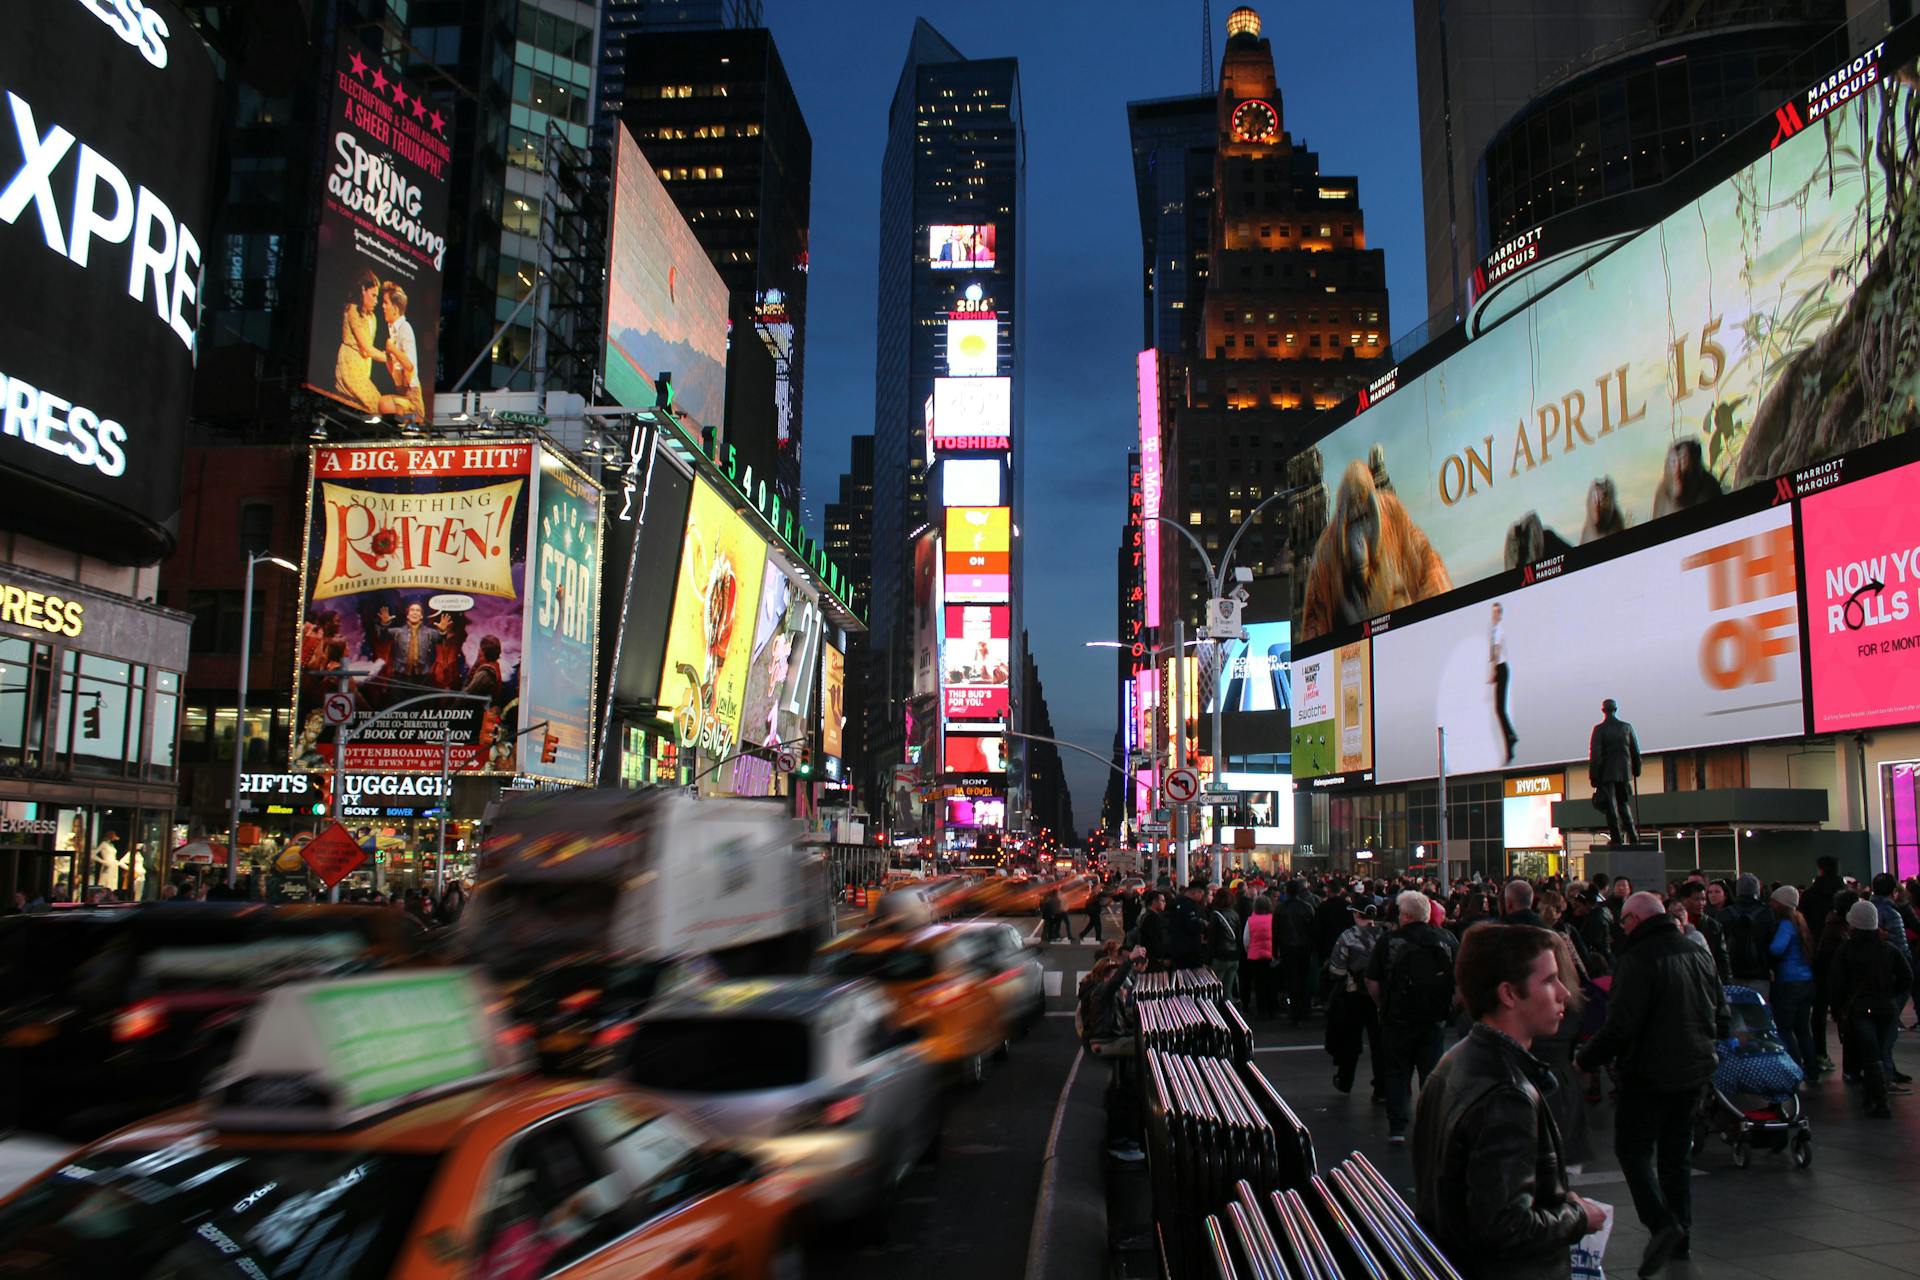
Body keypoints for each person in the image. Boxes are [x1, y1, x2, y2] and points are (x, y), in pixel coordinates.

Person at [1413, 924, 1603, 1278]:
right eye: (1549, 980)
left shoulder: (1455, 1061)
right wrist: (1578, 1217)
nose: (1564, 993)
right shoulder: (1507, 1094)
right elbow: (1504, 1225)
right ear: (1508, 994)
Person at [1575, 892, 1728, 1276]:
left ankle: (1662, 1223)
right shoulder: (1697, 953)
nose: (1620, 929)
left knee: (1632, 1149)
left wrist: (1587, 1058)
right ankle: (1683, 1234)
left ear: (1637, 919)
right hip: (1694, 1068)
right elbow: (1720, 1010)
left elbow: (1621, 1024)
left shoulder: (1637, 959)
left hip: (1649, 1072)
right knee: (1677, 1154)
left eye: (1624, 922)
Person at [1367, 889, 1459, 1144]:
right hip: (1433, 1018)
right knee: (1431, 1071)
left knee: (1397, 1071)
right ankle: (1431, 1122)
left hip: (1397, 1017)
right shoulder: (1446, 939)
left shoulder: (1389, 941)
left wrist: (1382, 1004)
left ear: (1404, 915)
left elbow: (1372, 979)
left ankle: (1397, 1126)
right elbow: (1460, 978)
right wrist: (1448, 1006)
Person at [1829, 898, 1915, 1118]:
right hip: (1886, 1008)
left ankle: (1875, 1099)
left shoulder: (1845, 950)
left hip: (1859, 1008)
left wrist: (1838, 1010)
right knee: (1881, 1052)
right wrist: (1891, 994)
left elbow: (1837, 983)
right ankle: (1880, 1096)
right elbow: (1907, 977)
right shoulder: (1888, 948)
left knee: (1869, 1054)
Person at [1326, 902, 1384, 1096]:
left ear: (1358, 915)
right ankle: (1381, 1085)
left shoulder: (1348, 937)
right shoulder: (1385, 935)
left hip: (1353, 994)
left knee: (1350, 1040)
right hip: (1380, 997)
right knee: (1379, 1042)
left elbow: (1337, 968)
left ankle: (1345, 1079)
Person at [1766, 885, 1817, 1072]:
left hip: (1788, 982)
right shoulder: (1800, 921)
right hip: (1806, 981)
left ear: (1780, 904)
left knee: (1785, 1029)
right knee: (1803, 1030)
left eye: (1774, 901)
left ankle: (1795, 1069)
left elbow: (1777, 948)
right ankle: (1812, 1069)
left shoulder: (1786, 924)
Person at [1587, 698, 1641, 846]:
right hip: (1624, 772)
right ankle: (1633, 837)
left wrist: (1594, 775)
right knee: (1623, 804)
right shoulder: (1626, 727)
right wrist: (1636, 769)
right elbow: (1635, 751)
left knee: (1611, 806)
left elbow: (1595, 755)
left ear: (1603, 711)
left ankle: (1617, 839)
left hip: (1607, 773)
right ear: (1615, 709)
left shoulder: (1599, 729)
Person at [334, 268, 385, 411]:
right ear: (363, 290)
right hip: (350, 366)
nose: (376, 301)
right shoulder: (352, 310)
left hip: (363, 369)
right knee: (377, 405)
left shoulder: (373, 317)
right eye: (373, 295)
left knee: (377, 407)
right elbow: (367, 348)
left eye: (377, 297)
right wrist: (390, 356)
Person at [1719, 873, 1774, 996]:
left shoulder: (1725, 914)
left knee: (1735, 1012)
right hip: (1759, 974)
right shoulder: (1766, 913)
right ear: (1757, 891)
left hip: (1732, 972)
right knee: (1759, 1012)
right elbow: (1771, 944)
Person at [1275, 880, 1316, 1024]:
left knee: (1291, 980)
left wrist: (1275, 951)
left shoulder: (1280, 908)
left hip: (1287, 948)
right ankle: (1305, 1009)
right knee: (1304, 978)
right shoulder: (1307, 907)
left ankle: (1294, 1011)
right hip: (1304, 947)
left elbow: (1276, 931)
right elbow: (1312, 929)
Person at [1488, 602, 1519, 765]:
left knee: (1499, 709)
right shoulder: (1495, 630)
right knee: (1499, 709)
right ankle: (1510, 742)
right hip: (1500, 669)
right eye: (1492, 613)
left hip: (1502, 669)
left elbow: (1498, 651)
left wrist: (1494, 672)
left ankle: (1511, 740)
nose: (1493, 616)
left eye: (1496, 613)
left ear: (1499, 615)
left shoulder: (1498, 630)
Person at [380, 601, 442, 680]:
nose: (415, 613)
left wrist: (442, 632)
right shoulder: (397, 632)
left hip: (422, 677)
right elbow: (383, 637)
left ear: (421, 616)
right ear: (408, 615)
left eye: (417, 610)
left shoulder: (430, 633)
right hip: (399, 676)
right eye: (412, 610)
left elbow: (441, 639)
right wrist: (384, 624)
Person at [1243, 895, 1277, 1017]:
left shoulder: (1250, 920)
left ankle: (1261, 1010)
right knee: (1271, 983)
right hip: (1270, 955)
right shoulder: (1273, 919)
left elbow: (1246, 939)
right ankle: (1272, 1009)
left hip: (1255, 956)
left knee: (1259, 984)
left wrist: (1249, 950)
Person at [1209, 887, 1243, 1003]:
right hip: (1234, 956)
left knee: (1215, 990)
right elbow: (1238, 936)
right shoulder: (1235, 914)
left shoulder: (1216, 915)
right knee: (1227, 991)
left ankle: (1216, 1016)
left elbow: (1212, 937)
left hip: (1220, 956)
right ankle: (1230, 1015)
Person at [1135, 889, 1171, 969]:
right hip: (1153, 960)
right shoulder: (1153, 918)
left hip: (1147, 958)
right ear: (1155, 902)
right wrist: (1161, 959)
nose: (1165, 903)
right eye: (1162, 901)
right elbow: (1155, 940)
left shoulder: (1145, 916)